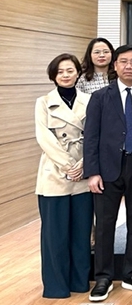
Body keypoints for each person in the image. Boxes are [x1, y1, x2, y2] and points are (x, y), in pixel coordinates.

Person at [84, 45, 132, 302]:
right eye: (123, 61)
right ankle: (103, 277)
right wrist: (92, 172)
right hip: (107, 169)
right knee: (105, 225)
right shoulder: (100, 97)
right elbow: (91, 137)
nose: (129, 66)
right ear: (115, 65)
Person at [35, 54, 93, 299]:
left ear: (78, 73)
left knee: (82, 233)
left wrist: (83, 164)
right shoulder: (43, 102)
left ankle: (80, 282)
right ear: (53, 76)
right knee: (54, 235)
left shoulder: (90, 100)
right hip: (55, 173)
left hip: (84, 173)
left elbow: (95, 134)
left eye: (70, 70)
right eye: (60, 72)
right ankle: (56, 287)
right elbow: (44, 137)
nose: (66, 75)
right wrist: (69, 165)